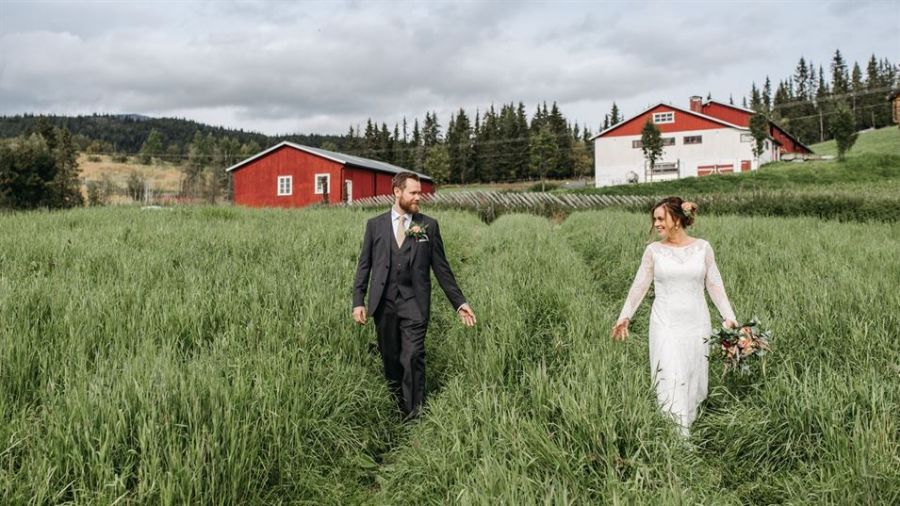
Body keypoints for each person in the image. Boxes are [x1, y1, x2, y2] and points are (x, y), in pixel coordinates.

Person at [352, 172, 476, 419]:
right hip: (384, 304)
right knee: (391, 360)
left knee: (413, 356)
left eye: (420, 192)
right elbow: (364, 265)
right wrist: (358, 301)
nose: (419, 197)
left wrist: (459, 303)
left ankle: (414, 415)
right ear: (397, 192)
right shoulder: (374, 225)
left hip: (414, 305)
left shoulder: (429, 225)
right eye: (414, 192)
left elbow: (442, 269)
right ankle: (397, 406)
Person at [612, 197, 738, 436]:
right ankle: (679, 440)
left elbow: (715, 285)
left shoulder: (703, 248)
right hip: (665, 325)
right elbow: (639, 286)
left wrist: (729, 317)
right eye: (654, 219)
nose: (656, 224)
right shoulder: (653, 251)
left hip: (697, 324)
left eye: (661, 218)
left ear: (677, 219)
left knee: (692, 379)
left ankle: (684, 428)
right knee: (671, 376)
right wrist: (624, 316)